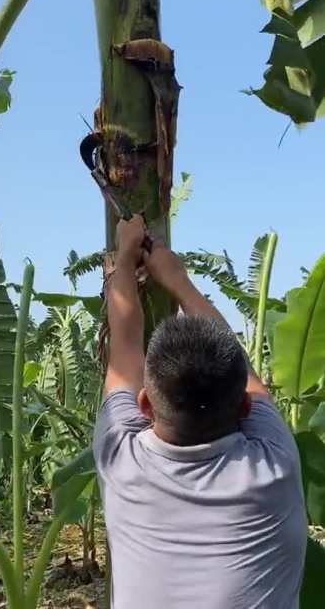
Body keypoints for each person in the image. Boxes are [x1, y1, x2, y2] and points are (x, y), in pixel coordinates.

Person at [94, 215, 307, 609]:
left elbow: (124, 339)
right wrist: (178, 280)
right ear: (244, 407)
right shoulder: (276, 463)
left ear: (145, 404)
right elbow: (241, 366)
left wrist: (123, 259)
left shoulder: (119, 456)